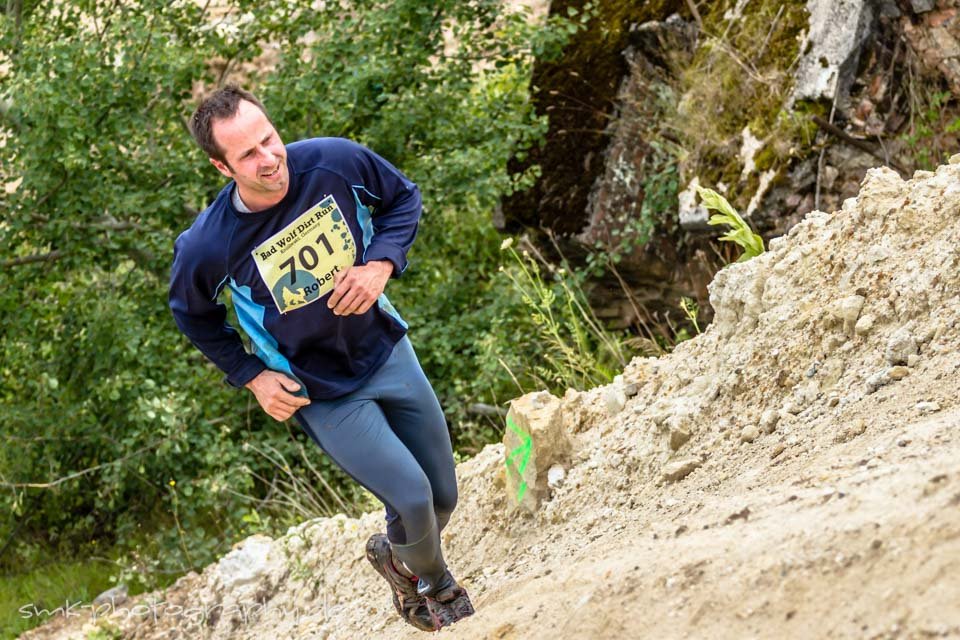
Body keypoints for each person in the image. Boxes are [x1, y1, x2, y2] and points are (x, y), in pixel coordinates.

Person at [168, 85, 474, 631]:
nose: (269, 160)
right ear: (221, 166)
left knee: (442, 495)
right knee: (412, 495)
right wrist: (251, 376)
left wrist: (381, 263)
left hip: (385, 349)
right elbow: (190, 313)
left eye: (270, 139)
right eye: (248, 155)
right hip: (318, 390)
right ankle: (436, 586)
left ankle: (397, 561)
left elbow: (403, 198)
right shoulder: (209, 244)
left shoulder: (334, 162)